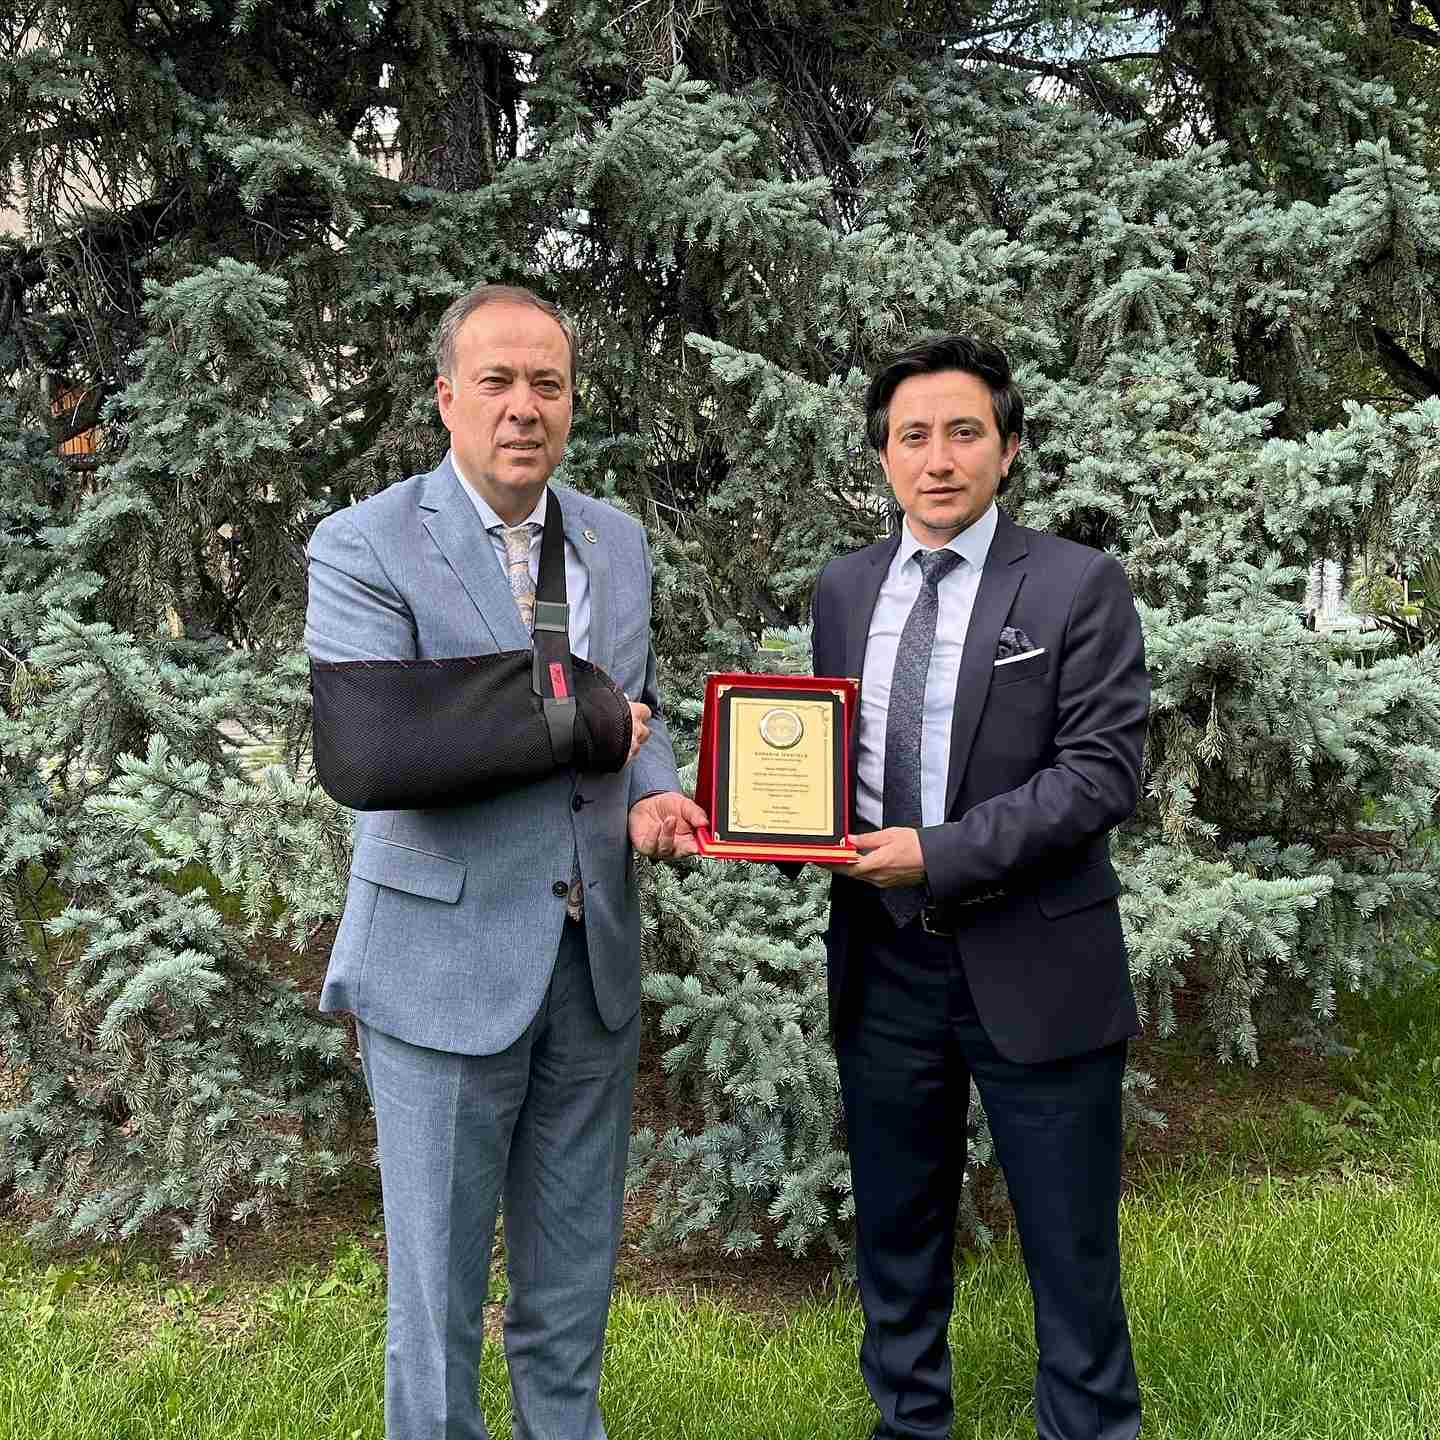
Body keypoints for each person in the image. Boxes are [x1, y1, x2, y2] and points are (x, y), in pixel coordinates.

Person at [304, 282, 707, 1440]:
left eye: (548, 384)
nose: (524, 406)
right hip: (441, 961)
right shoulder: (366, 542)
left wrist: (655, 785)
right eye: (497, 381)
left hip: (591, 960)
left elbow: (631, 703)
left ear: (572, 401)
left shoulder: (614, 540)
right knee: (435, 1301)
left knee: (571, 1283)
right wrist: (587, 723)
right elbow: (380, 751)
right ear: (447, 397)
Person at [809, 334, 1149, 1440]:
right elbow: (821, 758)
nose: (938, 458)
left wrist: (938, 851)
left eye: (964, 432)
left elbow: (1101, 774)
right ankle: (908, 1424)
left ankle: (1089, 1426)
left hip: (1036, 957)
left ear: (1007, 449)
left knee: (1070, 1242)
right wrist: (763, 820)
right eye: (913, 436)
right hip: (883, 959)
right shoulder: (844, 590)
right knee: (896, 1233)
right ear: (884, 457)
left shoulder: (1076, 584)